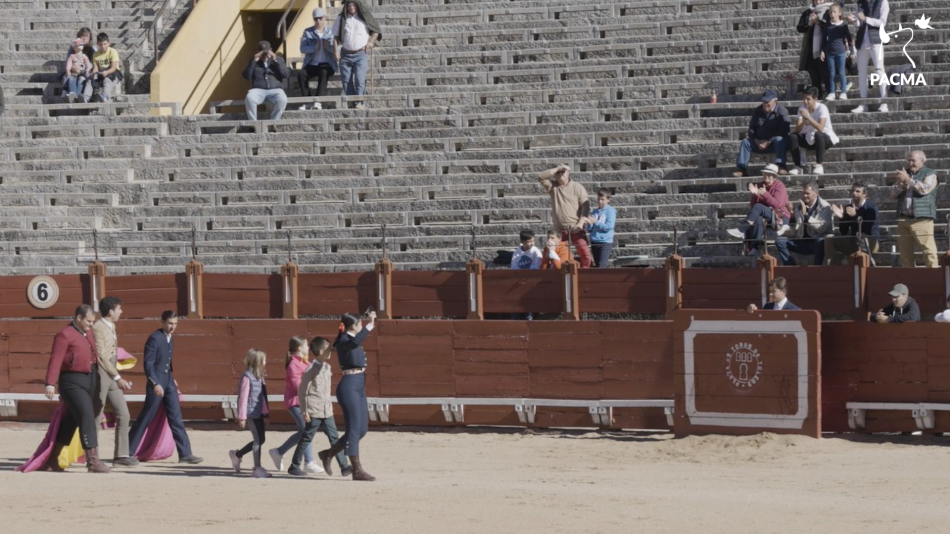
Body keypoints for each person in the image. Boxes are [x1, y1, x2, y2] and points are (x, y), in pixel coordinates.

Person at [128, 311, 203, 464]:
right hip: (157, 381)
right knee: (146, 417)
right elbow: (148, 364)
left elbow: (166, 362)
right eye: (170, 323)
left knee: (176, 417)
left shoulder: (170, 338)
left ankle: (185, 453)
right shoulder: (155, 338)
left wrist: (171, 379)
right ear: (162, 322)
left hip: (168, 381)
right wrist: (155, 383)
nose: (172, 327)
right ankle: (126, 452)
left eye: (175, 324)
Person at [43, 305, 111, 473]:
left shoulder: (87, 333)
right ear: (78, 318)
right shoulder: (64, 334)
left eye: (92, 321)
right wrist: (50, 383)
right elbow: (56, 359)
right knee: (87, 415)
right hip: (71, 381)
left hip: (89, 380)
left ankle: (53, 458)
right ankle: (93, 461)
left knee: (71, 422)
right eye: (88, 321)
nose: (91, 324)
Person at [316, 310, 377, 481]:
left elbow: (356, 341)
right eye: (360, 324)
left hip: (359, 385)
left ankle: (328, 453)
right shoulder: (344, 340)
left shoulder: (348, 339)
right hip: (349, 386)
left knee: (362, 429)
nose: (362, 326)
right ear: (353, 326)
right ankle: (357, 470)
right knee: (353, 429)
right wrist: (371, 324)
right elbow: (356, 341)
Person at [288, 337, 351, 477]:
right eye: (328, 349)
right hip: (314, 410)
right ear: (321, 351)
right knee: (307, 438)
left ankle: (344, 466)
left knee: (334, 437)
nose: (331, 352)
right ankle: (294, 466)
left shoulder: (327, 367)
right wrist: (304, 410)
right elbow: (302, 390)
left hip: (326, 410)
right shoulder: (311, 369)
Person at [92, 296, 137, 467]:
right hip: (101, 374)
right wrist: (117, 377)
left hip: (111, 372)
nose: (121, 312)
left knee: (123, 414)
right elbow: (101, 357)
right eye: (119, 309)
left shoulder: (111, 326)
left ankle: (121, 456)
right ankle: (93, 456)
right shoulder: (98, 327)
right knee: (96, 415)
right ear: (110, 311)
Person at [269, 336, 322, 474]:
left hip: (304, 401)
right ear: (299, 348)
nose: (308, 347)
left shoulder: (304, 362)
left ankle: (279, 452)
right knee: (307, 430)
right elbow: (298, 385)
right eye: (306, 345)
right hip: (296, 402)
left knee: (303, 432)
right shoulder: (294, 364)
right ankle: (309, 461)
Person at [726, 164, 791, 255]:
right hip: (767, 215)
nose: (766, 176)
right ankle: (754, 247)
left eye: (769, 174)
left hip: (780, 215)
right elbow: (753, 206)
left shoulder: (779, 186)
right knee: (758, 218)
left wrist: (764, 194)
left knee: (759, 207)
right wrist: (754, 194)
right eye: (765, 174)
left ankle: (742, 229)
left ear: (774, 176)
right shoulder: (760, 185)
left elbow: (777, 205)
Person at [890, 151, 939, 268]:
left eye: (913, 161)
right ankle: (909, 282)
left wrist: (908, 180)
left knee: (929, 252)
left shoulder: (930, 174)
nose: (910, 163)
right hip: (903, 219)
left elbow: (925, 189)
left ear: (922, 161)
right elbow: (892, 195)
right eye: (909, 160)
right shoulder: (905, 174)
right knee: (905, 255)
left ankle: (935, 280)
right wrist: (901, 184)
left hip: (922, 219)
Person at [538, 164, 592, 267]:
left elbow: (585, 205)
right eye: (558, 173)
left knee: (585, 253)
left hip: (575, 228)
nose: (560, 174)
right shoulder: (552, 187)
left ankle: (585, 275)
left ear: (568, 173)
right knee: (551, 250)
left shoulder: (577, 187)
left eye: (563, 172)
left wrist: (580, 223)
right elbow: (541, 177)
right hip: (559, 230)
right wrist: (557, 168)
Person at [229, 349, 271, 478]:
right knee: (258, 439)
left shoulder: (260, 376)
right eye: (264, 359)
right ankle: (257, 468)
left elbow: (262, 397)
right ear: (257, 361)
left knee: (261, 439)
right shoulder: (247, 376)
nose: (266, 361)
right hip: (251, 413)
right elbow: (243, 397)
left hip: (258, 413)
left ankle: (237, 455)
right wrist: (242, 417)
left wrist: (266, 414)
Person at [334, 0, 382, 108]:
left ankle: (360, 102)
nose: (351, 7)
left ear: (357, 5)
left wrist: (370, 42)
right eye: (349, 5)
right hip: (345, 54)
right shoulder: (341, 18)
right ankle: (352, 102)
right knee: (346, 81)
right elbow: (335, 37)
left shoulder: (364, 17)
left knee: (360, 80)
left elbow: (376, 31)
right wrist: (335, 51)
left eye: (353, 5)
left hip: (360, 54)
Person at [733, 90, 791, 177]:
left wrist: (768, 141)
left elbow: (784, 130)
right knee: (745, 142)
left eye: (768, 101)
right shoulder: (757, 110)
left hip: (774, 143)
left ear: (775, 100)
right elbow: (751, 129)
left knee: (780, 139)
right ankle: (742, 169)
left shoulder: (782, 111)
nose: (765, 104)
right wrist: (757, 141)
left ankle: (781, 166)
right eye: (764, 101)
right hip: (759, 143)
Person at [775, 180, 833, 265]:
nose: (804, 196)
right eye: (803, 193)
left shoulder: (825, 207)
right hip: (801, 241)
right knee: (780, 241)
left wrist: (806, 215)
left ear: (816, 193)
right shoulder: (800, 207)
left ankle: (817, 268)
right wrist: (791, 215)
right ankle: (791, 267)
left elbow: (821, 229)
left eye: (807, 193)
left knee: (820, 240)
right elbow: (796, 229)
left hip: (816, 243)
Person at [848, 0, 889, 113]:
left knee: (880, 70)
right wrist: (853, 20)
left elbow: (882, 22)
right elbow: (858, 22)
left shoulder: (882, 2)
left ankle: (884, 102)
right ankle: (863, 104)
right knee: (861, 73)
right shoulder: (860, 3)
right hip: (862, 42)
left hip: (876, 40)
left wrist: (866, 19)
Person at [824, 181, 880, 264]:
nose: (854, 193)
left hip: (870, 242)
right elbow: (844, 232)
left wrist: (855, 215)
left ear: (865, 194)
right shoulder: (849, 207)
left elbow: (867, 229)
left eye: (857, 191)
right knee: (829, 238)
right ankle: (830, 269)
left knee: (863, 237)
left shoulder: (871, 208)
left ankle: (866, 267)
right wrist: (842, 218)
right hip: (854, 242)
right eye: (853, 191)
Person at [788, 87, 839, 175]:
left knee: (818, 134)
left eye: (808, 99)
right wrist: (804, 119)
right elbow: (798, 130)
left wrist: (808, 117)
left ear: (815, 99)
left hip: (824, 138)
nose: (805, 101)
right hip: (808, 137)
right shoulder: (802, 108)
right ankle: (797, 166)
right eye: (804, 99)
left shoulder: (822, 108)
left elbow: (820, 128)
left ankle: (819, 165)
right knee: (793, 136)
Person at [297, 8, 338, 109]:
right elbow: (302, 48)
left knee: (324, 72)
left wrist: (327, 46)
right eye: (316, 19)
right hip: (312, 64)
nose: (318, 21)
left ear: (325, 18)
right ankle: (307, 101)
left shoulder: (332, 32)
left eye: (320, 18)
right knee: (301, 74)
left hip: (327, 63)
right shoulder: (308, 32)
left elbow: (338, 49)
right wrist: (314, 48)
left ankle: (318, 100)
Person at [243, 40, 290, 121]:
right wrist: (254, 62)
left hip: (276, 89)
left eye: (266, 52)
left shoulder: (279, 60)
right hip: (258, 90)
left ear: (271, 50)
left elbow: (286, 74)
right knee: (249, 98)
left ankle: (273, 121)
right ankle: (253, 123)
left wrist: (275, 61)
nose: (265, 55)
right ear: (258, 51)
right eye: (262, 53)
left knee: (283, 99)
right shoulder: (253, 61)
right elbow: (247, 76)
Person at [797, 0, 835, 100]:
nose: (818, 1)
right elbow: (800, 28)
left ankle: (830, 94)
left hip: (825, 50)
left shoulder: (830, 10)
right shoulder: (808, 12)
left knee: (826, 75)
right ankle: (817, 99)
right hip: (811, 51)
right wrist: (810, 23)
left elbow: (834, 26)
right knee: (815, 77)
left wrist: (819, 22)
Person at [822, 4, 853, 100]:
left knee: (841, 72)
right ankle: (832, 92)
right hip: (830, 52)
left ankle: (843, 92)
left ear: (839, 13)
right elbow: (823, 39)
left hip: (840, 52)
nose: (832, 14)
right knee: (831, 73)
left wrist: (851, 51)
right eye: (831, 12)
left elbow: (849, 38)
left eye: (834, 12)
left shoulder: (843, 25)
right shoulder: (827, 26)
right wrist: (822, 51)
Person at [588, 188, 617, 268]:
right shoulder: (594, 211)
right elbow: (589, 229)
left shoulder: (610, 211)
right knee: (597, 265)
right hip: (594, 241)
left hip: (605, 242)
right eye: (598, 199)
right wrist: (589, 223)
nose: (600, 201)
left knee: (602, 266)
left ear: (608, 200)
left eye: (602, 199)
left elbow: (609, 226)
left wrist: (595, 222)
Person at [90, 33, 121, 103]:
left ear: (108, 43)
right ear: (98, 44)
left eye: (105, 44)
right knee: (90, 80)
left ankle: (105, 96)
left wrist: (107, 72)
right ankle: (86, 97)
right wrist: (93, 73)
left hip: (113, 73)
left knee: (107, 80)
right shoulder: (96, 54)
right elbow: (96, 67)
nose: (103, 46)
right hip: (102, 73)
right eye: (101, 44)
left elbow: (113, 68)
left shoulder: (113, 52)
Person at [63, 38, 93, 103]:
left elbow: (88, 63)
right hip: (73, 73)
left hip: (82, 73)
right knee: (71, 79)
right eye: (78, 45)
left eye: (81, 45)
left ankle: (78, 95)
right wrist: (68, 70)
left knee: (81, 80)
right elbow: (69, 63)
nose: (80, 46)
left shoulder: (84, 56)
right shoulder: (72, 56)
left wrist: (87, 69)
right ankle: (72, 94)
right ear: (74, 47)